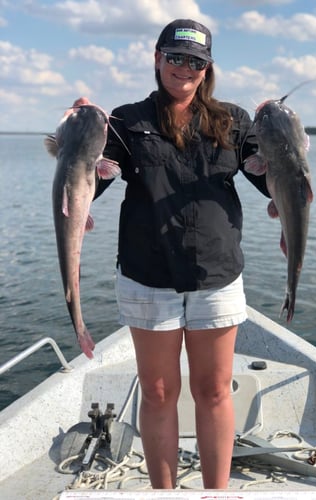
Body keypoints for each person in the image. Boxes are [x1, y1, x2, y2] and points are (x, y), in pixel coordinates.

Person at [93, 18, 270, 489]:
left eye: (196, 61)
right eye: (176, 57)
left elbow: (270, 181)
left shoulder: (234, 120)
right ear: (157, 59)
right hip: (148, 274)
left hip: (216, 273)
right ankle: (164, 495)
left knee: (213, 390)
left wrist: (284, 152)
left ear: (207, 68)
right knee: (156, 392)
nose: (184, 68)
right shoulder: (127, 120)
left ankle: (216, 494)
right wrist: (83, 133)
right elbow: (91, 183)